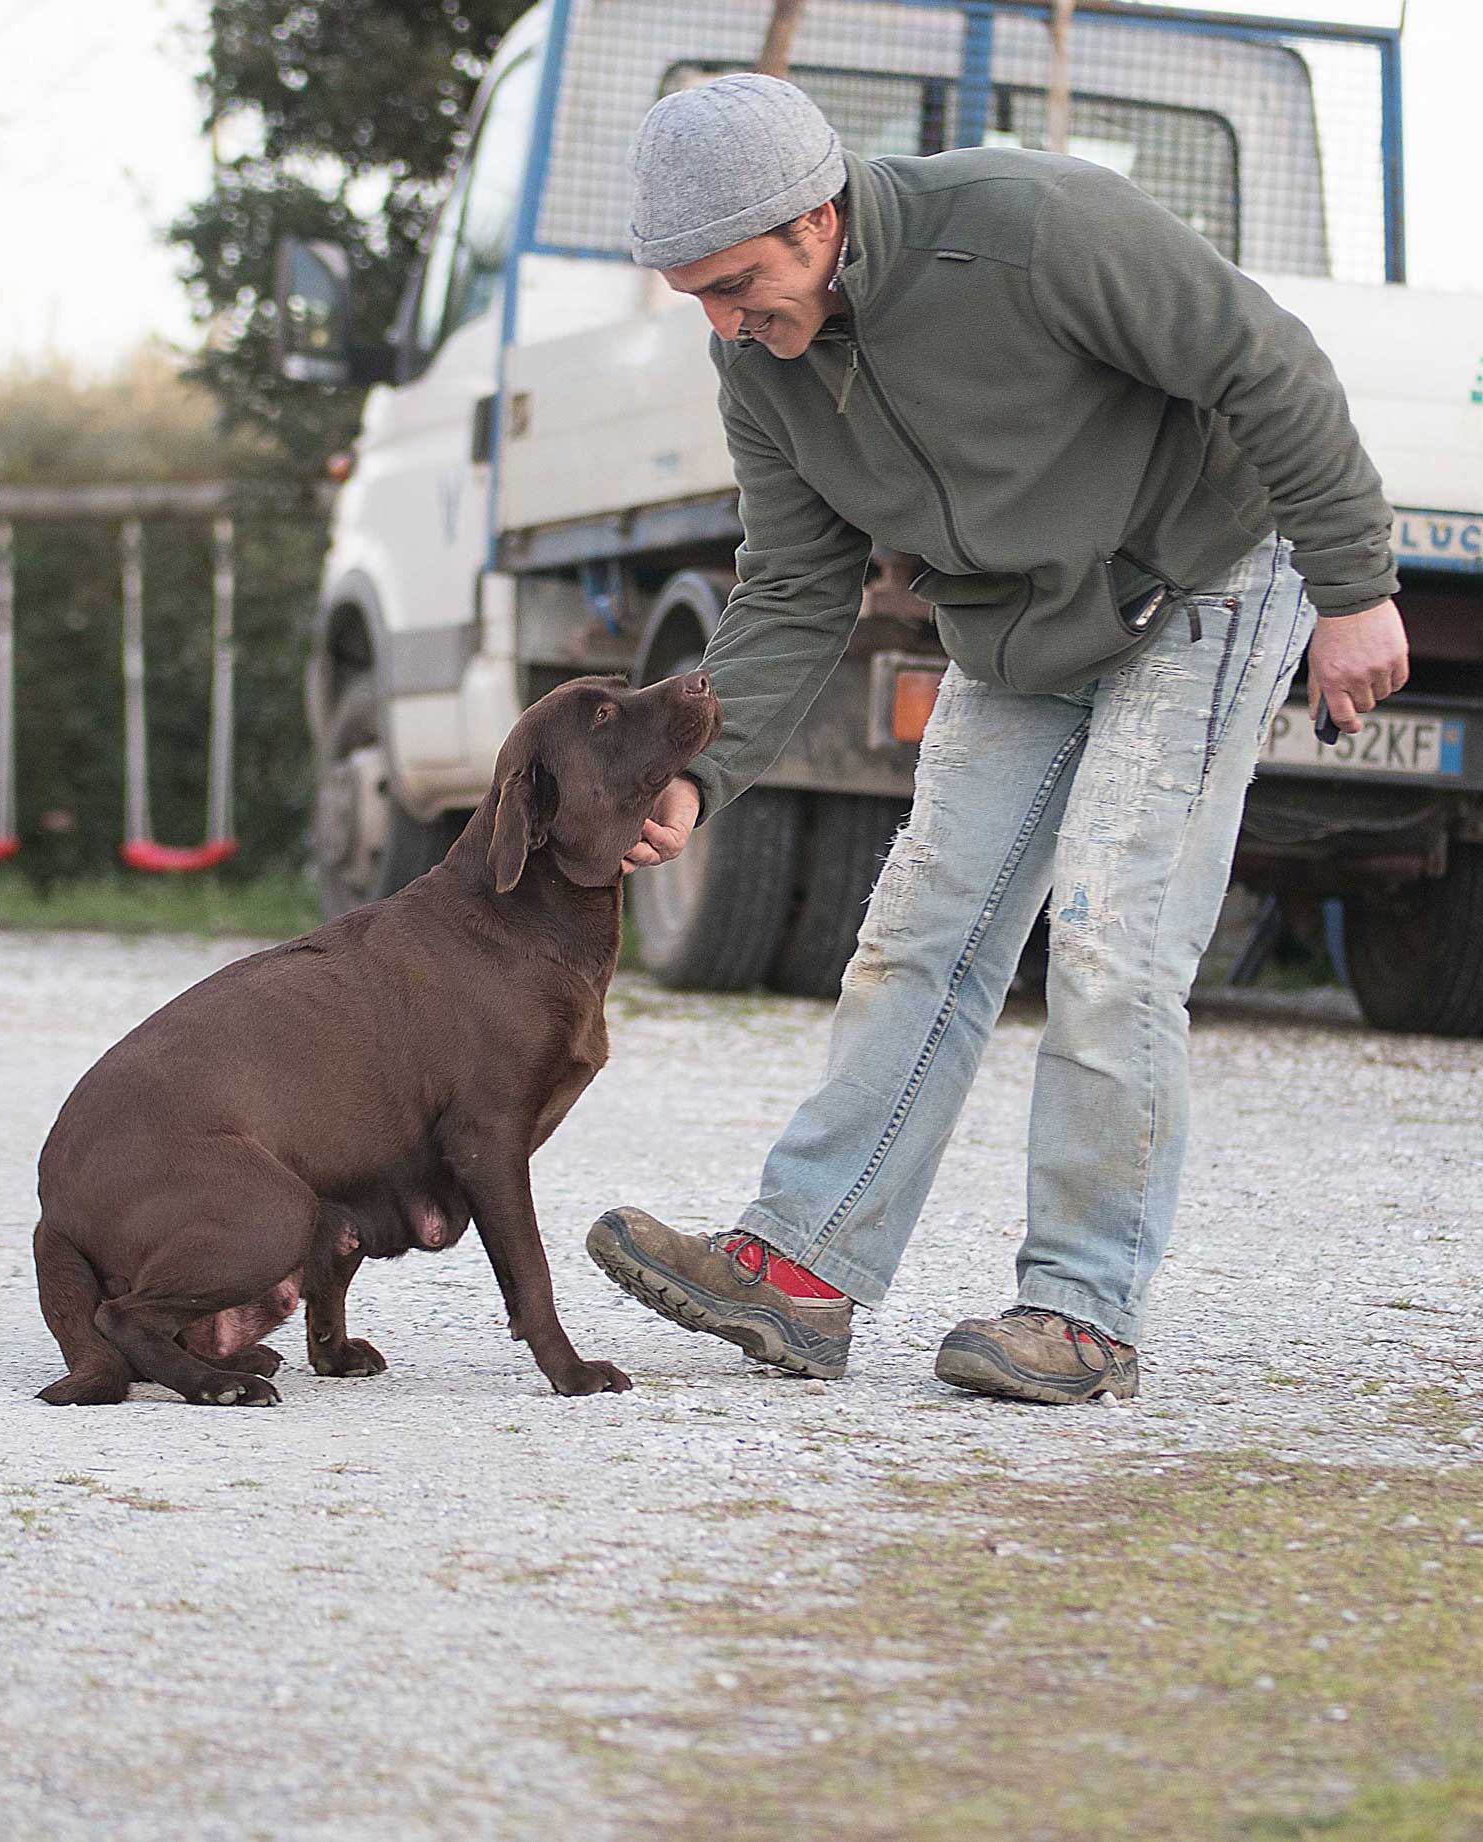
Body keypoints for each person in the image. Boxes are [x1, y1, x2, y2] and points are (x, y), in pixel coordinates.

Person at [585, 73, 1409, 1404]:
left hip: (1200, 579)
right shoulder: (764, 363)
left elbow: (1269, 365)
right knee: (921, 932)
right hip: (1016, 627)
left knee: (1109, 938)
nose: (729, 325)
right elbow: (794, 590)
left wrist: (1355, 583)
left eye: (738, 285)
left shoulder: (1036, 228)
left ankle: (1082, 1311)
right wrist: (696, 771)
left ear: (816, 213)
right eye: (701, 301)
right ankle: (802, 1271)